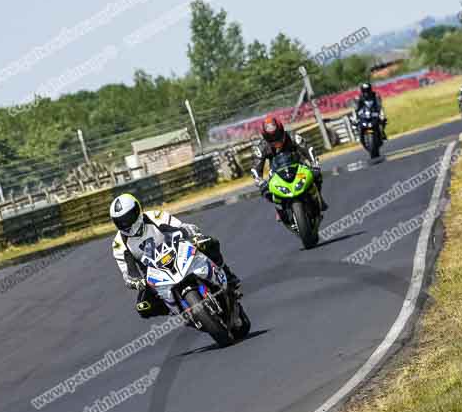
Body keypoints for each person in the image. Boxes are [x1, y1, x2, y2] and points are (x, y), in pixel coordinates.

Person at [109, 193, 241, 319]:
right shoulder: (119, 244)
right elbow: (128, 271)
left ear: (137, 210)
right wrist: (136, 281)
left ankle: (228, 277)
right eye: (120, 221)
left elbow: (182, 228)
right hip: (152, 272)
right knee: (143, 307)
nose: (126, 224)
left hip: (177, 252)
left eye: (128, 217)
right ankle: (174, 309)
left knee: (208, 242)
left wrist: (192, 235)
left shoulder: (155, 216)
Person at [251, 116, 328, 225]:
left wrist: (314, 163)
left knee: (316, 174)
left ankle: (319, 197)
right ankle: (279, 208)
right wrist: (260, 181)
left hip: (298, 166)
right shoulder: (261, 147)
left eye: (277, 135)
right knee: (266, 190)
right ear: (265, 137)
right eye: (271, 138)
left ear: (281, 130)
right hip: (276, 172)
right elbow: (255, 168)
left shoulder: (292, 136)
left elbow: (308, 149)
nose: (275, 139)